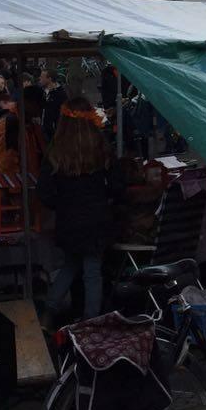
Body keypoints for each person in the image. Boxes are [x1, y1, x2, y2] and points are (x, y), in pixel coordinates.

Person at [37, 97, 123, 322]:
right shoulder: (101, 148)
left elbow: (44, 193)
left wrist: (63, 204)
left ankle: (48, 313)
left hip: (69, 220)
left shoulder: (55, 152)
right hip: (97, 218)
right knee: (92, 272)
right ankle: (91, 321)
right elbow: (117, 185)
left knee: (69, 266)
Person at [0, 84, 46, 180]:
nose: (40, 109)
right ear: (27, 102)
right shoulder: (10, 123)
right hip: (17, 188)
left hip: (30, 184)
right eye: (38, 105)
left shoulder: (31, 123)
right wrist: (16, 187)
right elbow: (7, 162)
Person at [40, 66, 67, 143]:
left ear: (49, 79)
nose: (40, 79)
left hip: (54, 131)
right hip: (43, 129)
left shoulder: (60, 94)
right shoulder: (42, 92)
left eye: (42, 77)